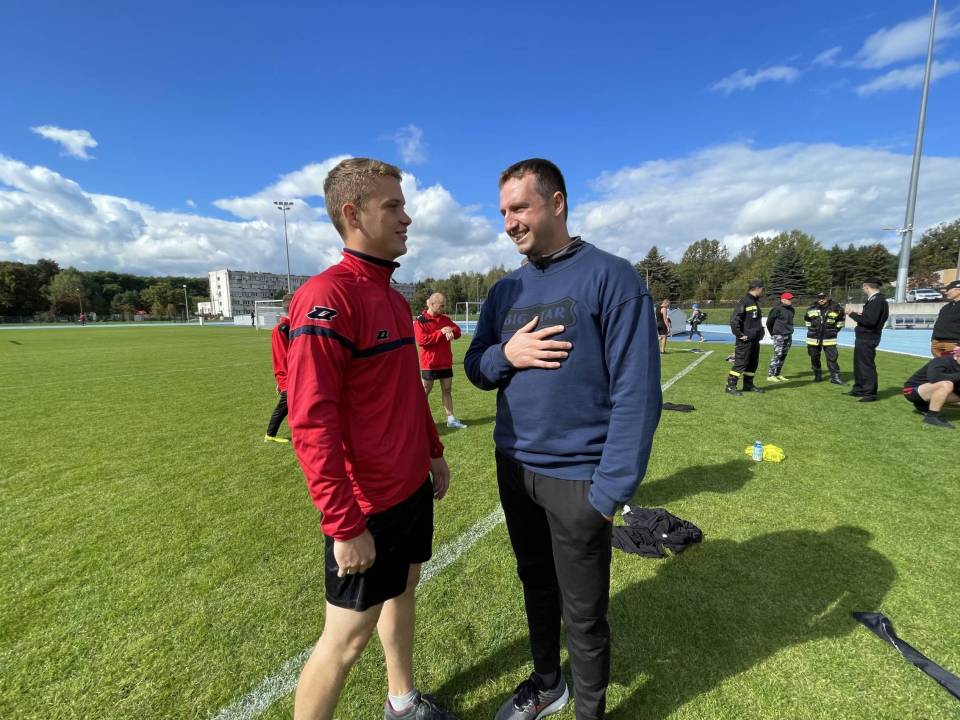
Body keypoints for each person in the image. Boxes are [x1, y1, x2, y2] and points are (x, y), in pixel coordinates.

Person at [465, 158, 661, 720]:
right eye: (503, 212)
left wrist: (608, 492)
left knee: (584, 611)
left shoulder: (612, 276)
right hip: (514, 468)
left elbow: (638, 394)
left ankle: (589, 711)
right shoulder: (505, 290)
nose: (509, 222)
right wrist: (507, 354)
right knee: (535, 582)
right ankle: (549, 684)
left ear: (557, 203)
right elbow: (476, 367)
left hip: (578, 479)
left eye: (519, 208)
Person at [286, 158, 457, 720]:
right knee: (344, 641)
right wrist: (344, 524)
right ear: (353, 214)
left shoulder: (393, 296)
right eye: (393, 206)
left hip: (410, 489)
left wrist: (432, 450)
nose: (407, 218)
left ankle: (401, 702)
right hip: (367, 508)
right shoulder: (327, 296)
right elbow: (311, 422)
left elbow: (406, 388)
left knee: (404, 589)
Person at [414, 293, 467, 429]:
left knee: (447, 390)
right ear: (432, 304)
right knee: (425, 392)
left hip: (445, 362)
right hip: (429, 364)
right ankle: (418, 419)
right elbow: (422, 340)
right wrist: (441, 332)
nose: (444, 308)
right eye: (441, 306)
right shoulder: (420, 321)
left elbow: (458, 331)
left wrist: (450, 329)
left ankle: (451, 419)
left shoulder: (445, 319)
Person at [845, 278, 890, 403]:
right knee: (859, 365)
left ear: (866, 287)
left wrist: (852, 314)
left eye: (863, 287)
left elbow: (870, 321)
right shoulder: (876, 300)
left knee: (866, 366)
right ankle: (859, 389)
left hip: (868, 337)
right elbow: (871, 318)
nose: (863, 289)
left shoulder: (877, 301)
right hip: (865, 337)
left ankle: (870, 393)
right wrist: (861, 315)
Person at [901, 345, 960, 428]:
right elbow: (935, 378)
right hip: (912, 391)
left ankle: (923, 405)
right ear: (957, 356)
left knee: (948, 385)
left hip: (928, 391)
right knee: (947, 384)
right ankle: (932, 417)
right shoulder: (941, 360)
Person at [726, 280, 765, 396]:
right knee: (740, 363)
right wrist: (740, 335)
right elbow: (734, 320)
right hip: (745, 340)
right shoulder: (744, 301)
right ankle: (730, 386)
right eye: (762, 289)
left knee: (753, 363)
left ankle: (748, 385)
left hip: (755, 340)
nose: (763, 291)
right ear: (757, 288)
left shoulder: (754, 302)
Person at [264, 293, 294, 443]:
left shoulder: (287, 327)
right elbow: (284, 356)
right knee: (285, 404)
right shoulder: (283, 328)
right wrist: (284, 379)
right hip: (289, 375)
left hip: (287, 374)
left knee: (293, 404)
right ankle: (270, 435)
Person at [804, 292, 845, 384]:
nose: (821, 299)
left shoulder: (837, 308)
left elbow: (840, 321)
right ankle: (817, 376)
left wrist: (834, 331)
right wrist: (812, 330)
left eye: (823, 298)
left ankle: (835, 377)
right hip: (813, 338)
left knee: (832, 358)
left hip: (829, 338)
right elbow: (807, 320)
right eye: (819, 298)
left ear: (828, 298)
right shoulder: (811, 308)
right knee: (814, 357)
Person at [765, 292, 795, 382]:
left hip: (788, 335)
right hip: (778, 335)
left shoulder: (792, 310)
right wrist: (773, 334)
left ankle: (777, 374)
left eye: (791, 299)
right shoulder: (776, 309)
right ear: (783, 300)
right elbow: (769, 322)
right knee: (777, 355)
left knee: (783, 355)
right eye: (789, 299)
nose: (791, 300)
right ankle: (770, 375)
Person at [931, 280, 960, 357]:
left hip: (953, 344)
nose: (946, 292)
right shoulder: (946, 307)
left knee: (952, 364)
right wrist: (933, 339)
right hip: (937, 344)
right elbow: (938, 323)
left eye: (949, 290)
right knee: (939, 364)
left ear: (958, 290)